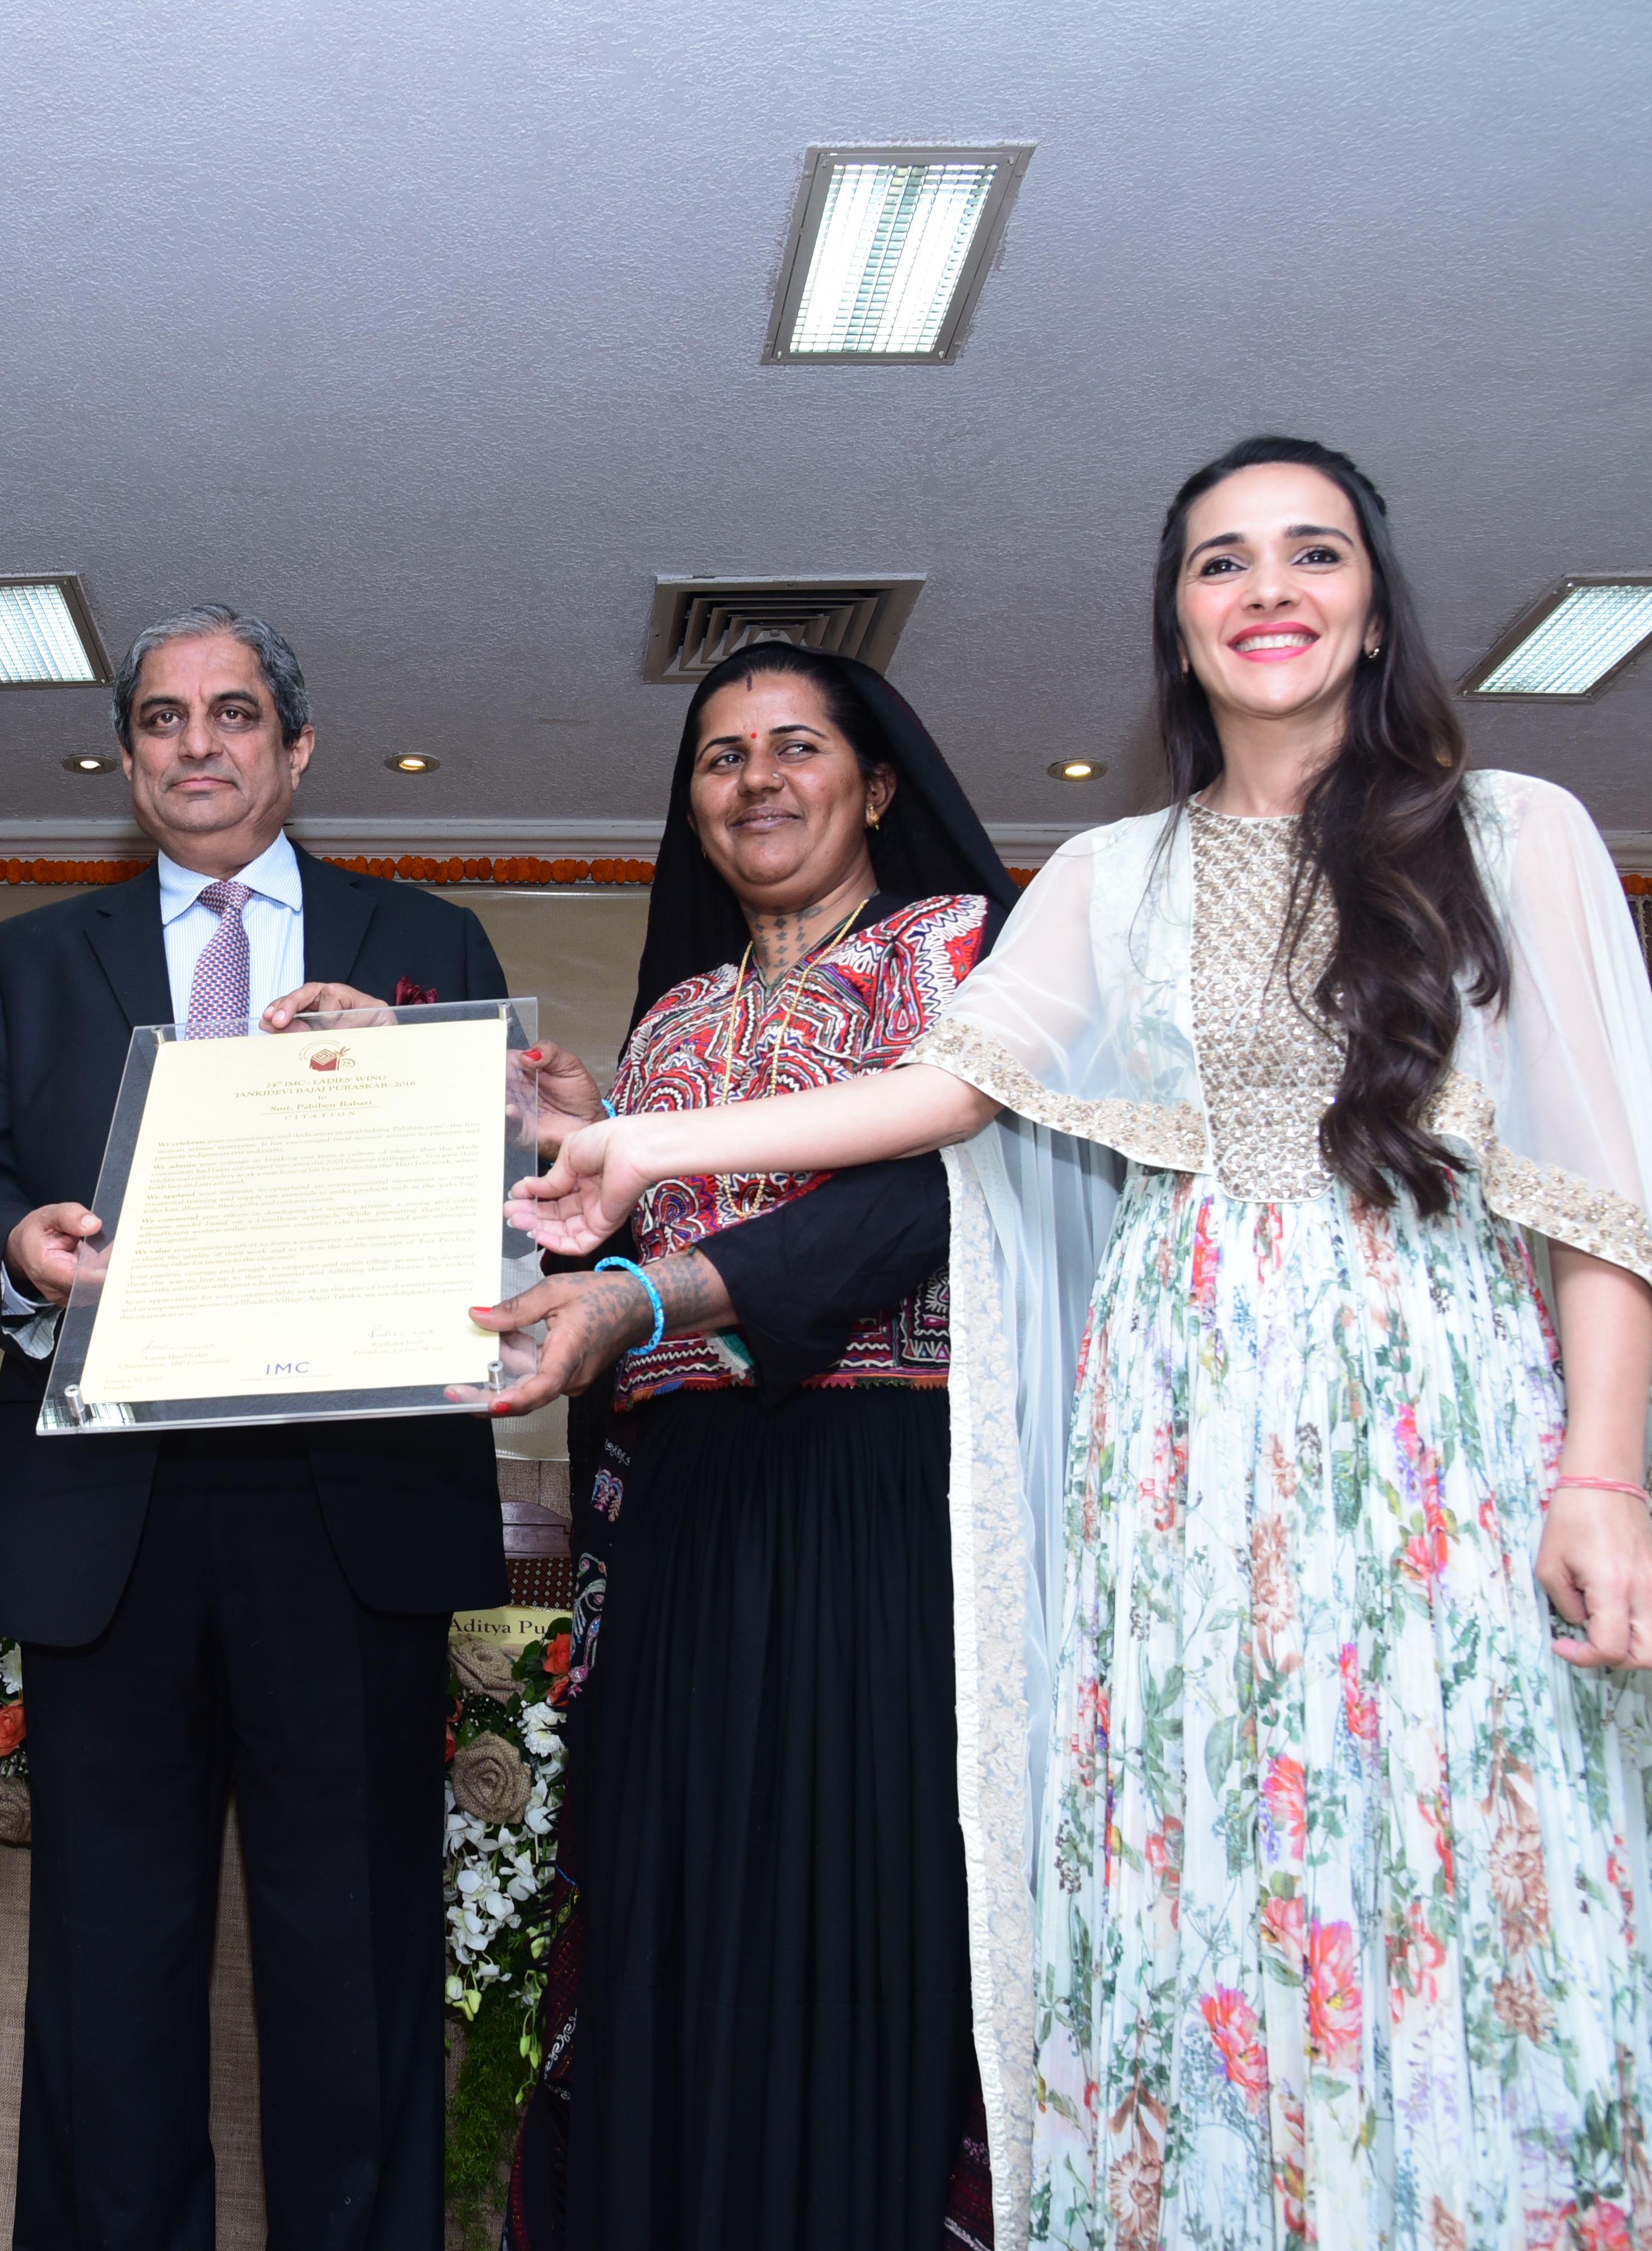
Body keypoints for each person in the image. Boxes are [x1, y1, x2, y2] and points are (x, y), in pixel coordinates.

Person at [513, 438, 1652, 2249]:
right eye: (1223, 562)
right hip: (1177, 1468)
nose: (1269, 592)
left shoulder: (1510, 832)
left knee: (1470, 1875)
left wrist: (1601, 1481)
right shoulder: (1107, 873)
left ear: (1375, 598)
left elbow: (1594, 1200)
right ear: (1175, 615)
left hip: (1432, 1440)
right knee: (1208, 1883)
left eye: (1311, 554)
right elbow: (944, 1087)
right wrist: (635, 1142)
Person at [0, 604, 508, 2251]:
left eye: (233, 714)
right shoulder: (34, 963)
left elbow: (506, 1200)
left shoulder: (430, 944)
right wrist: (17, 1255)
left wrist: (437, 1088)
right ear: (128, 758)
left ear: (294, 748)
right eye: (164, 719)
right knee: (113, 1971)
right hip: (113, 1517)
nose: (198, 745)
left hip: (356, 1509)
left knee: (356, 1962)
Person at [474, 642, 1017, 2251]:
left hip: (877, 1501)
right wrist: (485, 1112)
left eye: (795, 748)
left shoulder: (956, 955)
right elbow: (603, 1275)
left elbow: (921, 1203)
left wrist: (657, 1292)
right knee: (677, 1901)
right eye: (721, 756)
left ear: (879, 784)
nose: (758, 781)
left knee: (853, 1904)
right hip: (688, 1524)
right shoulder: (674, 1022)